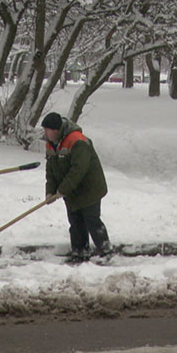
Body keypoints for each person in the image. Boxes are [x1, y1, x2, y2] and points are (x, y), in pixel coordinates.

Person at [41, 111, 111, 262]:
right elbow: (51, 171)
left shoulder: (77, 141)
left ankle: (105, 251)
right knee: (75, 222)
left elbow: (78, 170)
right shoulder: (51, 144)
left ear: (55, 130)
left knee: (91, 220)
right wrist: (50, 191)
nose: (44, 133)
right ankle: (79, 252)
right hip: (71, 190)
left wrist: (62, 190)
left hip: (89, 188)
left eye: (46, 130)